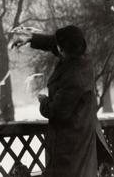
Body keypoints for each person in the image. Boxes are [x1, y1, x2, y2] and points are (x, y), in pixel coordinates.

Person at [11, 25, 113, 177]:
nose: (56, 48)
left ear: (63, 50)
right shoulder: (82, 58)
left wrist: (44, 101)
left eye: (59, 46)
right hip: (81, 133)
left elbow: (57, 111)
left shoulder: (73, 76)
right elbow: (55, 43)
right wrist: (31, 38)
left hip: (71, 142)